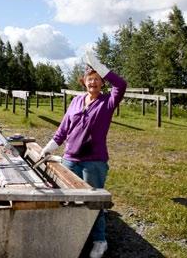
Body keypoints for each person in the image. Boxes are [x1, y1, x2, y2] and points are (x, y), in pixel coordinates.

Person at [41, 51, 127, 258]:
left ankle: (100, 241)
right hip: (70, 159)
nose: (93, 83)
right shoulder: (76, 101)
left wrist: (100, 66)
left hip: (94, 163)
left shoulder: (108, 102)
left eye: (97, 80)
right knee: (68, 200)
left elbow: (121, 85)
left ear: (102, 83)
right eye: (90, 79)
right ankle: (73, 235)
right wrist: (50, 147)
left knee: (93, 203)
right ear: (84, 82)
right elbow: (63, 129)